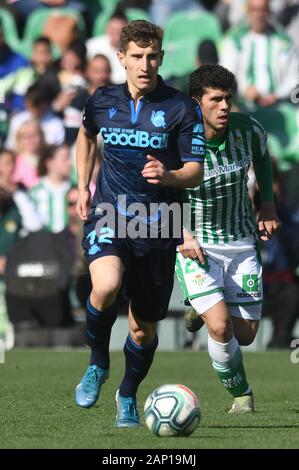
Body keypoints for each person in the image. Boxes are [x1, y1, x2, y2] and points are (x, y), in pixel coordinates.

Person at [75, 20, 205, 427]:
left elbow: (195, 171)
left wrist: (169, 176)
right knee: (106, 285)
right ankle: (98, 364)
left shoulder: (181, 108)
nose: (145, 64)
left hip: (161, 224)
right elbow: (85, 135)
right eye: (136, 56)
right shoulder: (101, 100)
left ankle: (127, 394)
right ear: (121, 59)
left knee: (144, 329)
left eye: (152, 57)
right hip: (110, 214)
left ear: (162, 58)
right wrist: (83, 185)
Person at [176, 64, 281, 413]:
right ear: (196, 103)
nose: (224, 106)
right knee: (220, 327)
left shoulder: (247, 130)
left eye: (228, 99)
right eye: (215, 99)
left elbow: (263, 160)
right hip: (198, 246)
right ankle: (242, 395)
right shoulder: (179, 140)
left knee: (246, 335)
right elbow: (164, 190)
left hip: (241, 242)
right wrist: (182, 232)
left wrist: (267, 204)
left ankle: (199, 308)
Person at [220, 0, 299, 107]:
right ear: (247, 12)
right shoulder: (233, 41)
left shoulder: (285, 43)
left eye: (263, 10)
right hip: (244, 105)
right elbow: (226, 73)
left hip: (280, 104)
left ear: (269, 12)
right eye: (254, 10)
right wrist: (244, 89)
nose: (258, 15)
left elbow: (294, 76)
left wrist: (277, 95)